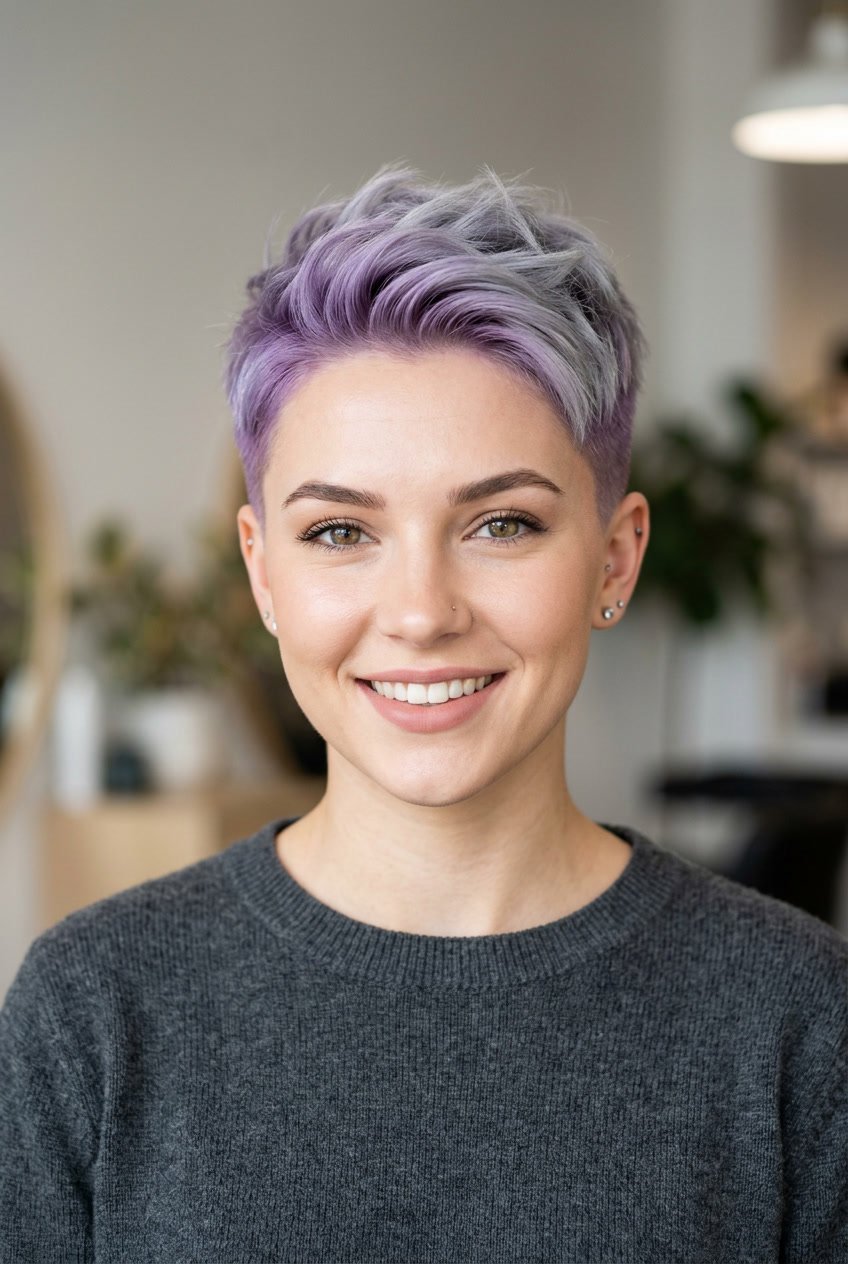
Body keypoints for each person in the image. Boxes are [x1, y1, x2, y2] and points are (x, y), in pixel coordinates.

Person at [1, 164, 846, 1263]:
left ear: (615, 556)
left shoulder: (797, 1023)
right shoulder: (97, 1012)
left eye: (499, 523)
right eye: (340, 533)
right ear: (261, 573)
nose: (419, 615)